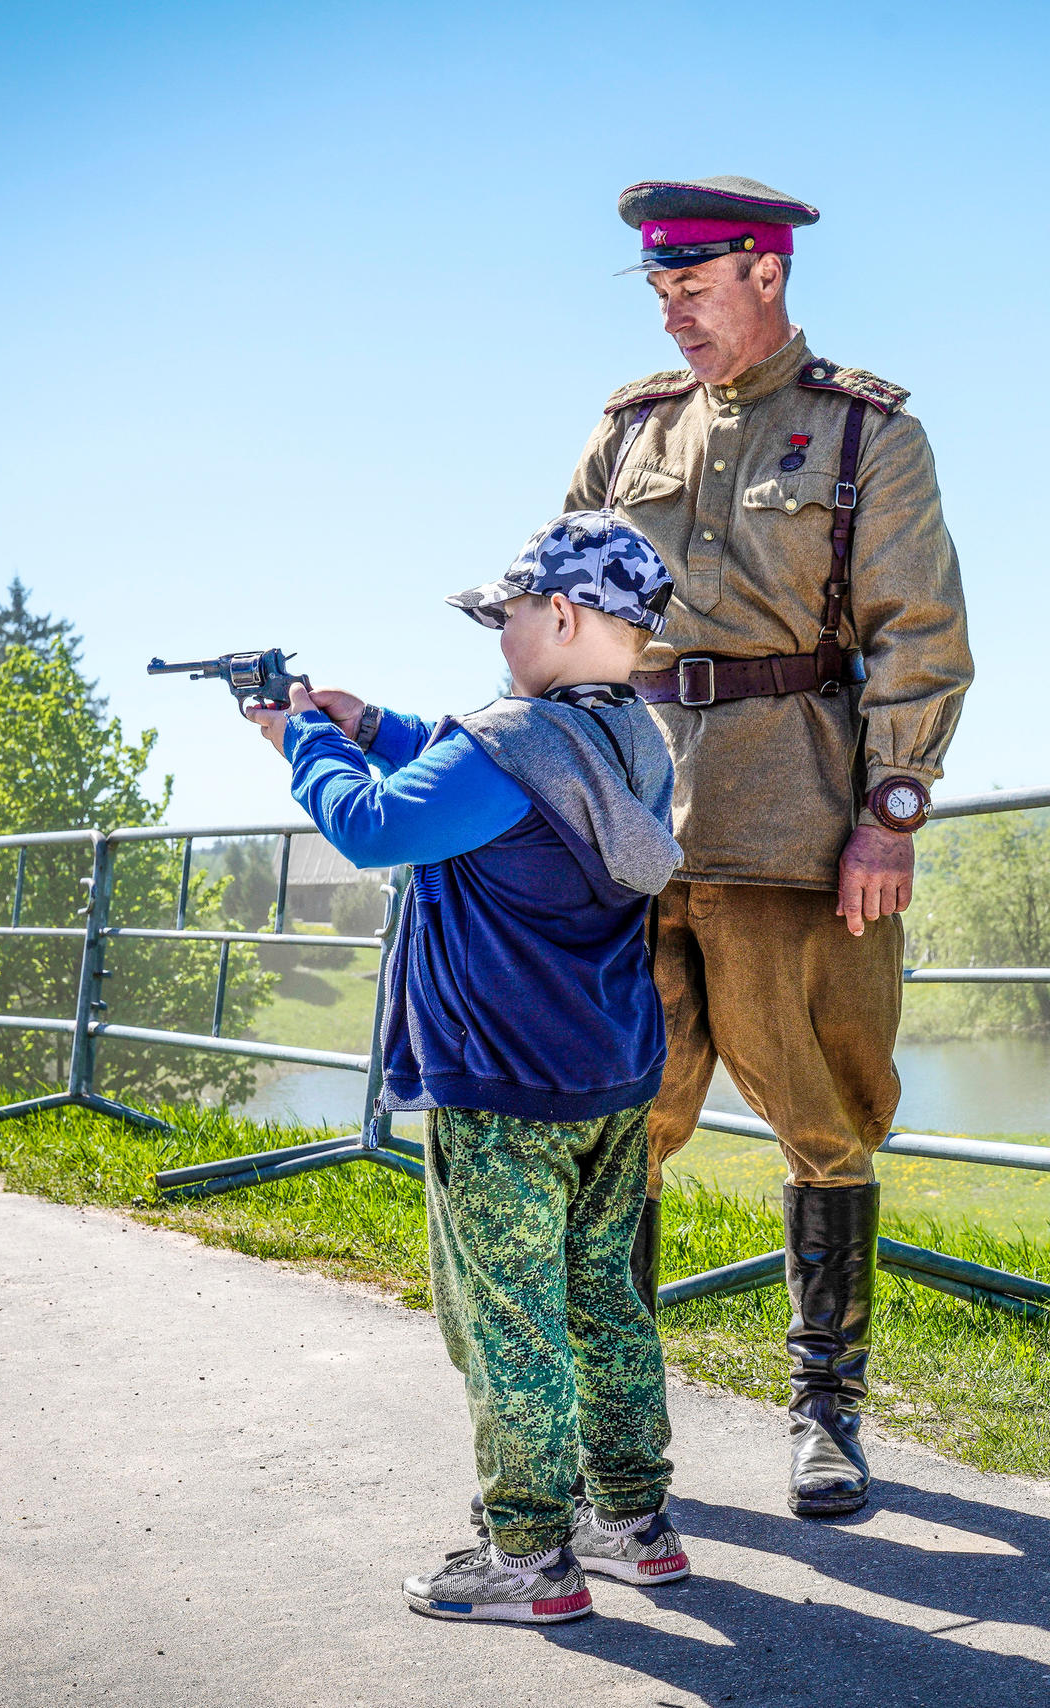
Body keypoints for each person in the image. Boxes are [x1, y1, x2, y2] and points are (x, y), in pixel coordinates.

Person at [567, 175, 973, 1518]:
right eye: (658, 291)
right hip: (630, 828)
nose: (673, 313)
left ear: (765, 273)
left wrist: (894, 808)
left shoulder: (864, 435)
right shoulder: (628, 431)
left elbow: (918, 634)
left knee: (826, 1120)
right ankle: (618, 1422)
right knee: (618, 1127)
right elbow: (560, 606)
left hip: (793, 825)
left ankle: (827, 1415)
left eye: (692, 285)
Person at [248, 512, 692, 1624]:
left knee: (506, 1317)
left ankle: (528, 1554)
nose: (499, 639)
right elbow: (515, 791)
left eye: (506, 617)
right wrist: (382, 722)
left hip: (499, 1084)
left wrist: (306, 740)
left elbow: (372, 827)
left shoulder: (508, 741)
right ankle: (633, 1520)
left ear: (564, 612)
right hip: (609, 1073)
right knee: (602, 1299)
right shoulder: (634, 739)